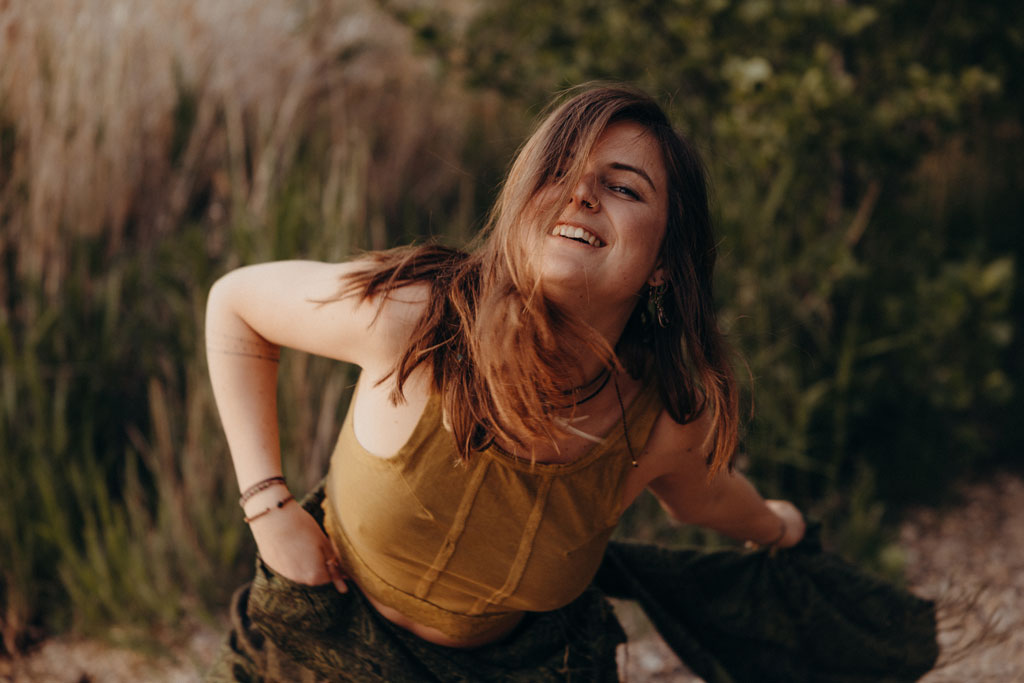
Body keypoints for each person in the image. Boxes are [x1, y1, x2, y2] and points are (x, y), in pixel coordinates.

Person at [204, 85, 935, 682]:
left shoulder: (661, 420)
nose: (580, 194)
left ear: (662, 264)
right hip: (322, 648)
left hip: (535, 667)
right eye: (558, 172)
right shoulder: (417, 320)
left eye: (622, 187)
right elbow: (235, 307)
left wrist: (780, 527)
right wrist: (268, 507)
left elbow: (707, 497)